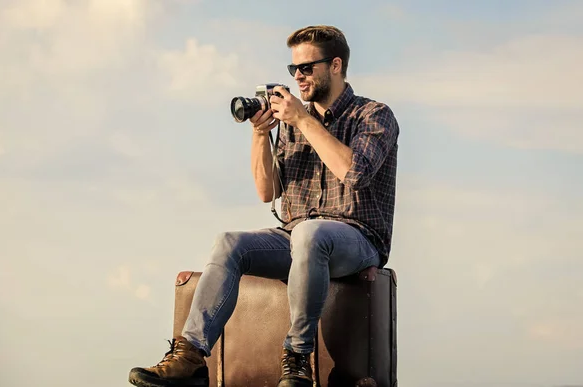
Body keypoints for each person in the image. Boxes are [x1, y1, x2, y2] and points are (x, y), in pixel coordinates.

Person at [128, 25, 400, 387]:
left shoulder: (373, 116)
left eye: (307, 68)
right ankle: (190, 357)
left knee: (310, 233)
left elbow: (354, 172)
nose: (298, 77)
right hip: (297, 237)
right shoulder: (290, 124)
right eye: (293, 70)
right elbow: (266, 190)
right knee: (230, 242)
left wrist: (302, 119)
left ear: (335, 65)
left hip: (358, 240)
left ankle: (298, 357)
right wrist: (260, 134)